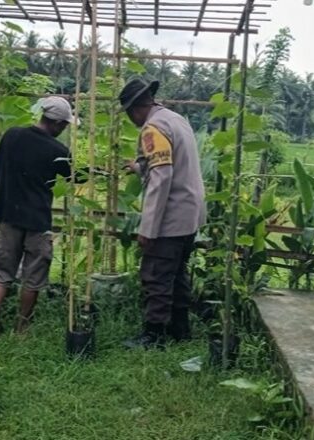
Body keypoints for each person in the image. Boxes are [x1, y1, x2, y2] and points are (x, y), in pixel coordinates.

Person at [119, 78, 206, 349]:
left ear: (135, 109)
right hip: (189, 215)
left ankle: (153, 336)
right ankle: (180, 329)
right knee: (177, 274)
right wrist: (138, 167)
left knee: (156, 275)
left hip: (170, 216)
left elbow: (162, 177)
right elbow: (169, 163)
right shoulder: (175, 120)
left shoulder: (152, 129)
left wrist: (148, 228)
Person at [0, 96, 77, 339]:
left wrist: (5, 198)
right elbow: (77, 176)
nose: (63, 129)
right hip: (37, 219)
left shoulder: (12, 135)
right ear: (56, 123)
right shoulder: (58, 151)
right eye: (64, 125)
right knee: (33, 275)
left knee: (2, 271)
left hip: (8, 214)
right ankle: (21, 328)